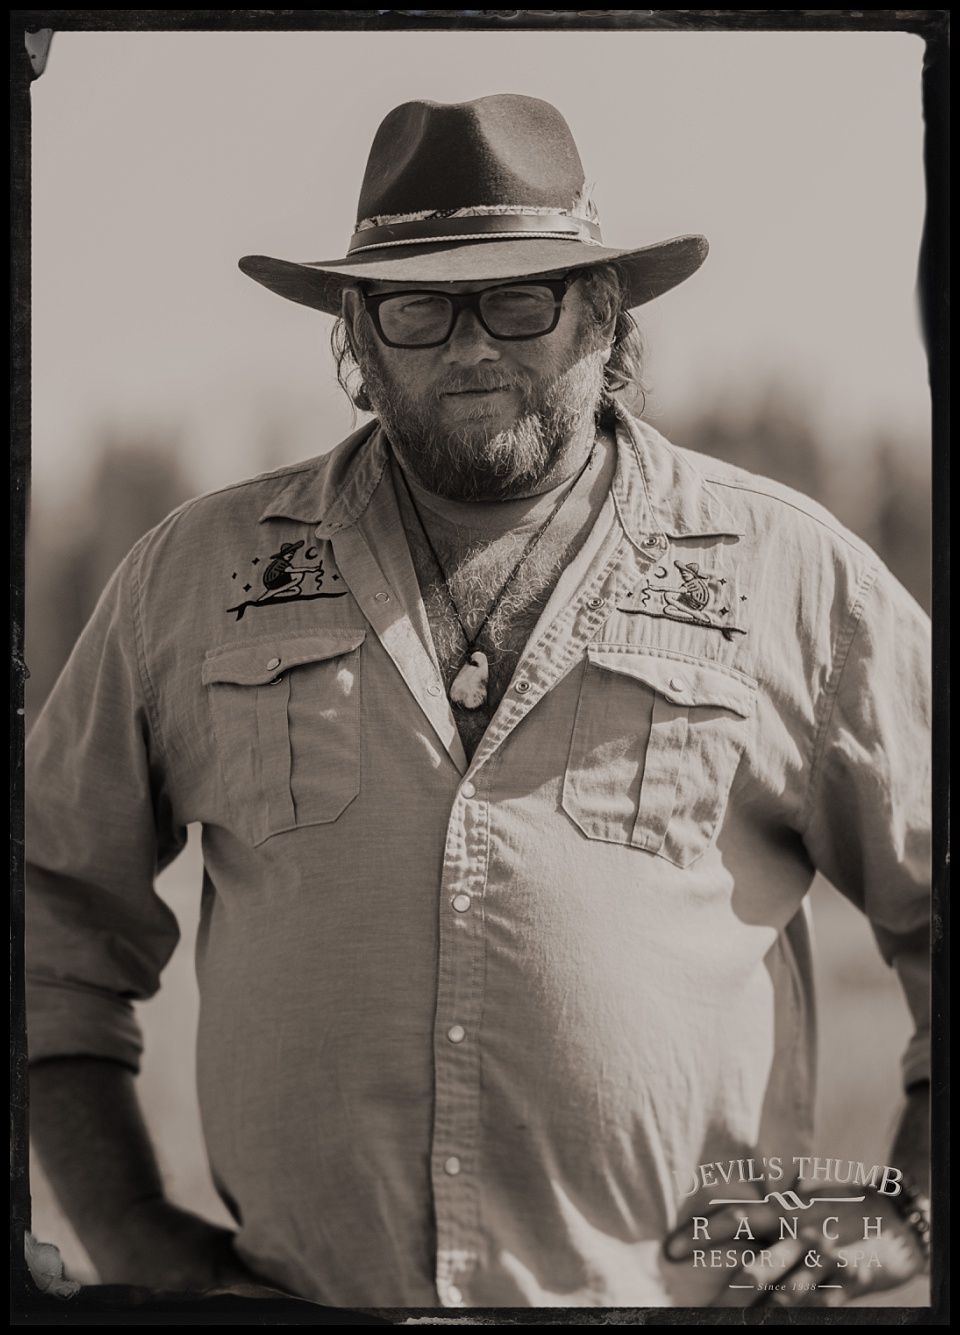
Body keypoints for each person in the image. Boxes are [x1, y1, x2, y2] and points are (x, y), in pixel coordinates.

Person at [26, 94, 930, 1311]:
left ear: (606, 312)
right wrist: (131, 1234)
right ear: (356, 331)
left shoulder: (786, 574)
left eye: (521, 298)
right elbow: (45, 926)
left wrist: (892, 1228)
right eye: (418, 305)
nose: (470, 346)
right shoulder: (194, 580)